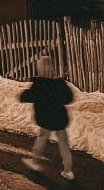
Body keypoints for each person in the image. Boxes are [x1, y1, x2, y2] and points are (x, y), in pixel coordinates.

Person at [19, 52, 75, 180]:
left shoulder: (39, 85)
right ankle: (68, 170)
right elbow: (68, 98)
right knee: (63, 143)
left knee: (42, 138)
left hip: (46, 119)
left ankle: (34, 160)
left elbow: (24, 97)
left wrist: (27, 93)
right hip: (60, 118)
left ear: (39, 68)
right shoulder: (59, 84)